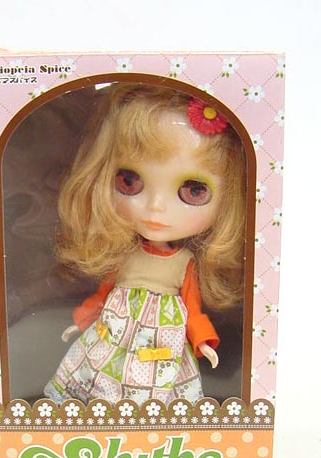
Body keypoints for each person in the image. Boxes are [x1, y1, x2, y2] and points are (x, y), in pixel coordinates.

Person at [44, 83, 246, 406]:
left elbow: (193, 309)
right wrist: (81, 319)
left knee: (158, 386)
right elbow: (104, 293)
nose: (155, 208)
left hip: (161, 341)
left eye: (193, 190)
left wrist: (202, 341)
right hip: (115, 332)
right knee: (103, 371)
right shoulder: (124, 252)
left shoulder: (184, 262)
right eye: (130, 181)